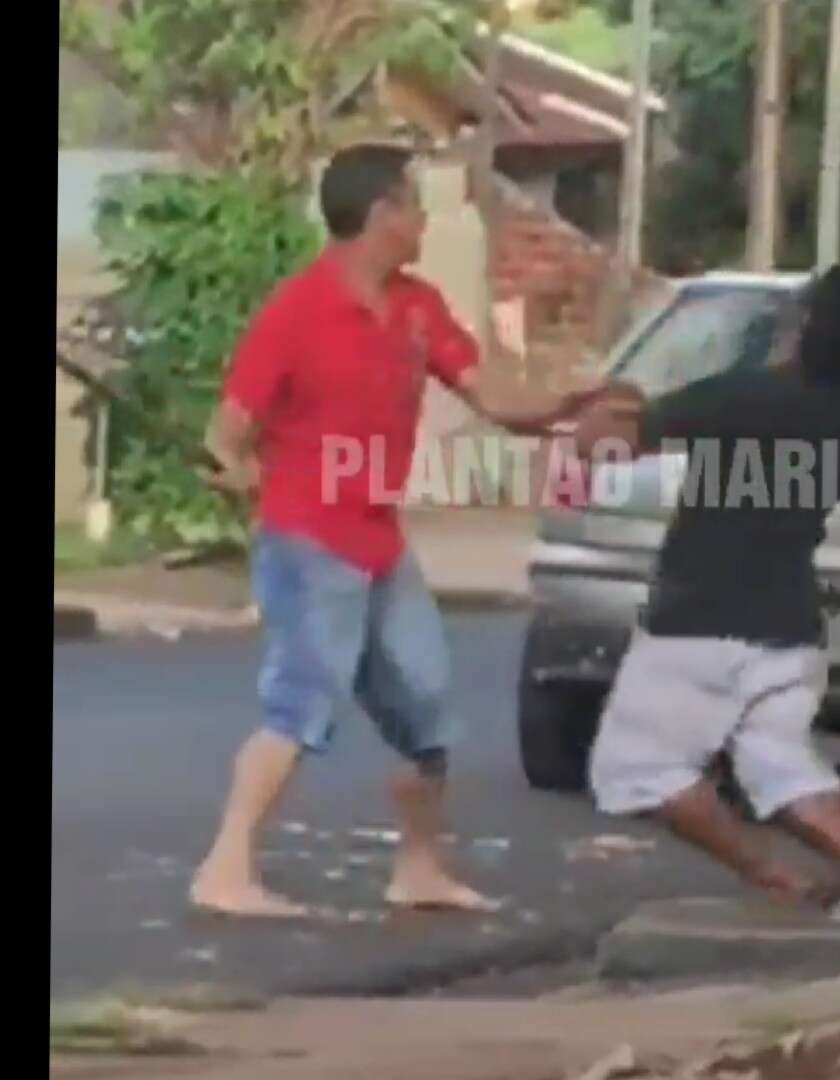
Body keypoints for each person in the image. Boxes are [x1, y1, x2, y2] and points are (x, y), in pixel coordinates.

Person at [191, 144, 598, 917]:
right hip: (307, 536)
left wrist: (570, 404)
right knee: (302, 705)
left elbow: (493, 399)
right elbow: (229, 426)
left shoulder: (418, 307)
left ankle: (418, 870)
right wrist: (236, 465)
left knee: (428, 709)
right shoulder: (297, 311)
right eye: (413, 204)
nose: (422, 220)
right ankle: (224, 869)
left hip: (379, 541)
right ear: (380, 214)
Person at [570, 263, 840, 911]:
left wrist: (606, 399)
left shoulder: (743, 397)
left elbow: (603, 446)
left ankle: (766, 872)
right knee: (779, 763)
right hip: (788, 621)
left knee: (637, 770)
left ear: (802, 326)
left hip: (696, 618)